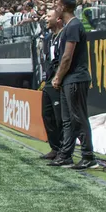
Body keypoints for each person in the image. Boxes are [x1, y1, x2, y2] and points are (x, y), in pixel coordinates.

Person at [48, 0, 98, 170]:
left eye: (57, 5)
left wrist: (58, 77)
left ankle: (88, 155)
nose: (55, 7)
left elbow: (67, 57)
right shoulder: (69, 27)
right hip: (69, 79)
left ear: (62, 7)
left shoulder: (74, 26)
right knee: (68, 119)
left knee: (78, 118)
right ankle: (66, 155)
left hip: (75, 78)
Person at [39, 9, 64, 161]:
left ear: (59, 19)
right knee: (47, 115)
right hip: (48, 81)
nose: (45, 18)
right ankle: (55, 148)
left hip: (58, 80)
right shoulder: (49, 38)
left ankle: (63, 150)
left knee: (59, 117)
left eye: (49, 16)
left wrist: (58, 78)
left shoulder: (64, 35)